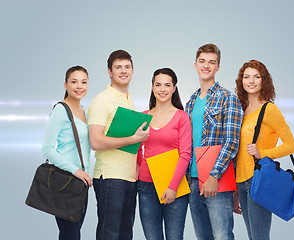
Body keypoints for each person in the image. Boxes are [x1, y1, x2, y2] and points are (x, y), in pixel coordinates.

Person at [88, 50, 149, 240]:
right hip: (110, 178)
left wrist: (138, 165)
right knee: (109, 234)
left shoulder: (129, 101)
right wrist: (133, 139)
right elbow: (95, 141)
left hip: (130, 179)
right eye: (118, 67)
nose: (123, 71)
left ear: (132, 70)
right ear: (109, 71)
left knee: (125, 235)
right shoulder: (102, 100)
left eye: (127, 67)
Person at [185, 43, 243, 240]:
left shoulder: (228, 98)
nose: (206, 66)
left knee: (222, 236)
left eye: (212, 62)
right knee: (203, 237)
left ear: (218, 67)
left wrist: (213, 175)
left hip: (217, 181)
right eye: (202, 61)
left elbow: (232, 142)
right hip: (192, 181)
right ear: (195, 65)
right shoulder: (191, 101)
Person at [235, 60, 294, 240]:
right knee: (252, 236)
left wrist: (263, 153)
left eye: (257, 76)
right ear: (241, 81)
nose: (251, 81)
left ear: (264, 81)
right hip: (241, 182)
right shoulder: (242, 109)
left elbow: (291, 145)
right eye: (246, 77)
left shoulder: (269, 110)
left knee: (260, 237)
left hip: (258, 179)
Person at [137, 68, 192, 240]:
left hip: (175, 186)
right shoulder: (144, 116)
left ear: (174, 88)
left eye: (167, 85)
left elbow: (185, 154)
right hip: (146, 186)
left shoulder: (181, 117)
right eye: (158, 85)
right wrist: (139, 168)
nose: (162, 89)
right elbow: (137, 148)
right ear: (152, 87)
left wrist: (172, 187)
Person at [42, 66, 92, 240]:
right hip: (66, 182)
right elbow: (47, 148)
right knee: (71, 235)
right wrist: (76, 171)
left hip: (82, 185)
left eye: (84, 82)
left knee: (70, 235)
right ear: (65, 85)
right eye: (74, 81)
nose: (79, 86)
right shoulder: (60, 111)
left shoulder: (84, 111)